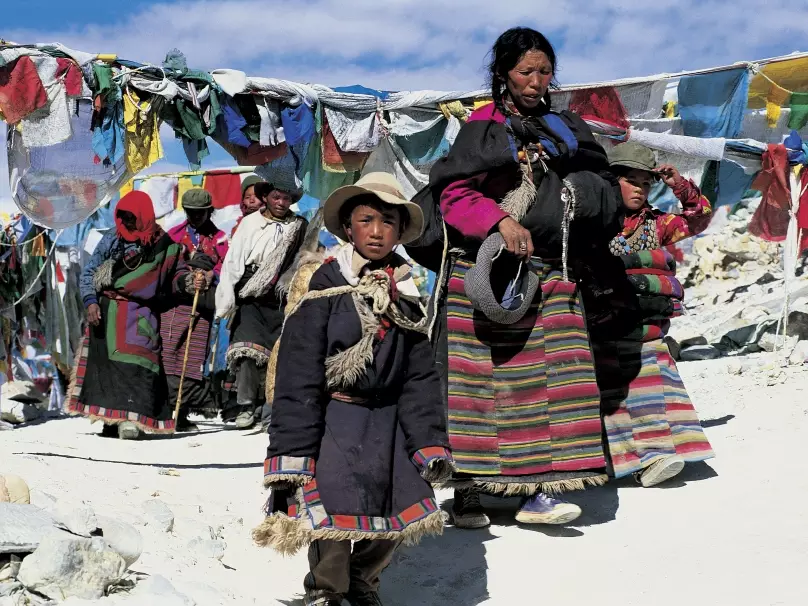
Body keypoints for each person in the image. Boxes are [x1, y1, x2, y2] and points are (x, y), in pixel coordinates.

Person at [429, 27, 624, 529]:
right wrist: (499, 220)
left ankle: (537, 491)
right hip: (486, 272)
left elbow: (605, 184)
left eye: (544, 72)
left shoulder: (567, 126)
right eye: (525, 72)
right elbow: (452, 193)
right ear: (503, 75)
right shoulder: (484, 126)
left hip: (552, 271)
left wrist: (580, 195)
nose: (536, 82)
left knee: (547, 387)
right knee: (482, 384)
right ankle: (470, 491)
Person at [253, 173, 452, 606]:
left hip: (390, 422)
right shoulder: (323, 288)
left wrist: (429, 440)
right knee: (332, 508)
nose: (377, 231)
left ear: (400, 231)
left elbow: (419, 376)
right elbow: (298, 375)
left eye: (388, 221)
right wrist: (293, 448)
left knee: (403, 503)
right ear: (349, 227)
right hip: (336, 421)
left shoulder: (408, 293)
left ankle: (364, 580)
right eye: (366, 220)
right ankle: (327, 591)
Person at [594, 141, 715, 486]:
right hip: (603, 327)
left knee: (657, 387)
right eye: (631, 180)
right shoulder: (593, 221)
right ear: (610, 180)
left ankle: (659, 455)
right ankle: (632, 460)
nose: (640, 189)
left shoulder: (657, 224)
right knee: (613, 391)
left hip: (647, 326)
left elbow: (699, 217)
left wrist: (680, 185)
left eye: (646, 183)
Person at [69, 191, 206, 439]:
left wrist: (189, 282)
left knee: (141, 362)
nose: (127, 223)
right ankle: (112, 420)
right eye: (123, 217)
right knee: (111, 368)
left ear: (145, 216)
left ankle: (132, 419)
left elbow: (176, 276)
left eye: (132, 217)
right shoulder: (112, 238)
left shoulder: (165, 245)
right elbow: (89, 273)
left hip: (144, 312)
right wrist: (90, 302)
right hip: (109, 311)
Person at [215, 177, 308, 430]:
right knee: (247, 351)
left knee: (277, 356)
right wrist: (226, 300)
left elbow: (304, 260)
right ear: (266, 197)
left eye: (286, 198)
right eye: (276, 197)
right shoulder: (250, 223)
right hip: (251, 292)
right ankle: (245, 406)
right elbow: (233, 263)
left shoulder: (299, 226)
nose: (281, 203)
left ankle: (268, 408)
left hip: (281, 297)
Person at [160, 188, 229, 431]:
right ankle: (167, 410)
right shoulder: (173, 235)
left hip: (202, 307)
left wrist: (212, 274)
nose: (196, 217)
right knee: (169, 354)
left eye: (201, 212)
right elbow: (163, 266)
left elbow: (228, 265)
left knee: (192, 357)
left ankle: (182, 412)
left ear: (210, 211)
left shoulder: (220, 238)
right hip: (174, 305)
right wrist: (184, 277)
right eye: (191, 212)